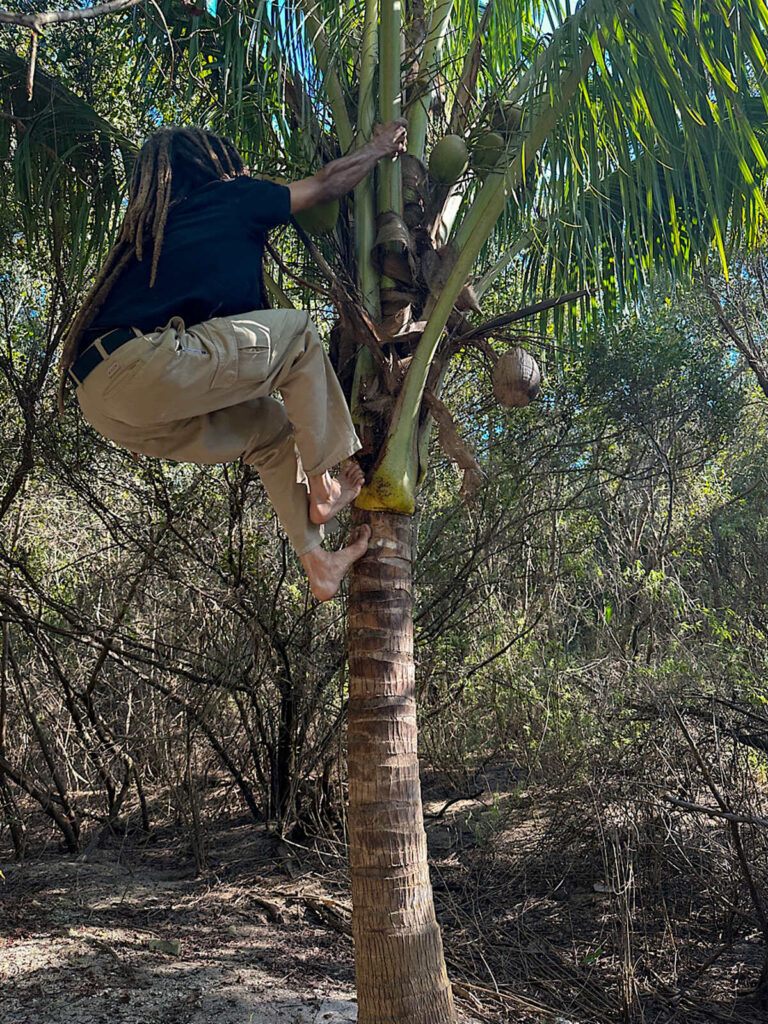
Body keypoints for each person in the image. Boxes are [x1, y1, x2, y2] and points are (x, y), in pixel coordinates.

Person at [59, 120, 408, 601]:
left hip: (105, 400)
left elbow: (241, 356)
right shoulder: (233, 197)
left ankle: (317, 563)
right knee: (299, 336)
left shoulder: (156, 232)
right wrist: (376, 149)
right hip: (143, 362)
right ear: (212, 165)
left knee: (269, 428)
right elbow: (327, 184)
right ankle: (323, 487)